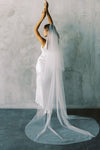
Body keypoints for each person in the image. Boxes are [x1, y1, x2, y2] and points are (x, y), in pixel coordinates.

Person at [25, 0, 99, 145]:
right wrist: (47, 12)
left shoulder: (45, 42)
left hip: (43, 70)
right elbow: (53, 25)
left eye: (45, 30)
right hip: (49, 70)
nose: (44, 32)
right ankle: (46, 109)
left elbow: (35, 30)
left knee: (42, 89)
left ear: (47, 32)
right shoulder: (55, 41)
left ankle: (45, 110)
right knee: (45, 90)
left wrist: (41, 17)